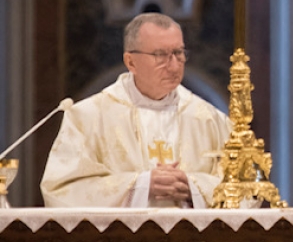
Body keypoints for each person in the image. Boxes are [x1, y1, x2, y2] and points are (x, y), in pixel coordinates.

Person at [41, 13, 232, 208]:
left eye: (178, 53)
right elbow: (61, 191)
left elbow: (246, 190)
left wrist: (193, 187)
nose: (174, 65)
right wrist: (140, 186)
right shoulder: (87, 118)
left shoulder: (211, 120)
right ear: (131, 62)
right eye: (160, 55)